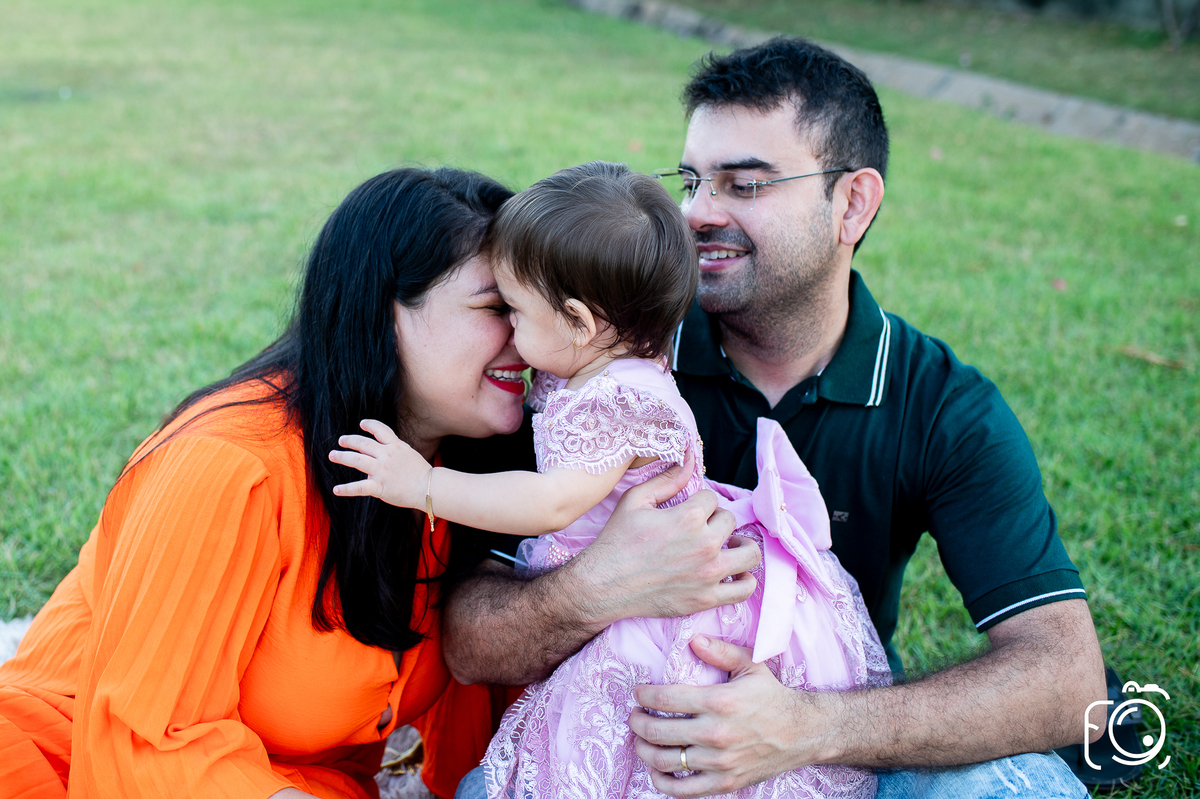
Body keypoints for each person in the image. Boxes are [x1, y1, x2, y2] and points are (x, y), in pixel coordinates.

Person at [444, 38, 1106, 799]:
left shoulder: (941, 404)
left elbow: (1067, 677)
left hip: (834, 763)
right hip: (614, 760)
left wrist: (803, 727)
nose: (696, 214)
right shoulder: (598, 356)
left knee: (1022, 786)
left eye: (745, 185)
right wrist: (599, 585)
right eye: (691, 180)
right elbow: (469, 638)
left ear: (852, 203)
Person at [328, 162, 891, 799]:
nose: (508, 334)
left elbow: (549, 502)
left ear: (577, 322)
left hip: (654, 604)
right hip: (634, 573)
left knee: (610, 751)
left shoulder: (612, 400)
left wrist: (423, 485)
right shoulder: (608, 369)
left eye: (511, 310)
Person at [0, 167, 539, 799]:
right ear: (383, 311)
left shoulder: (463, 474)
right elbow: (149, 742)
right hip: (72, 768)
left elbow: (492, 722)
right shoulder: (227, 466)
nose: (528, 340)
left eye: (535, 309)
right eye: (498, 307)